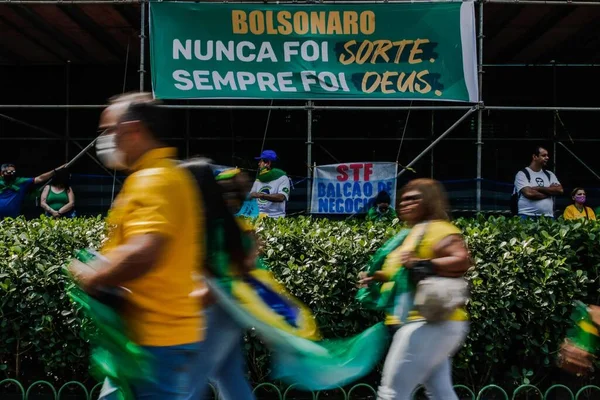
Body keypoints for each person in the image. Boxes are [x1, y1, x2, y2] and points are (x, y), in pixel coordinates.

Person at [68, 92, 203, 399]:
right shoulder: (167, 176)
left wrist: (93, 276)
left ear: (134, 130)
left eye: (108, 130)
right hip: (154, 341)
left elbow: (145, 250)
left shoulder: (153, 180)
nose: (103, 139)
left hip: (157, 346)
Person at [359, 179, 471, 400]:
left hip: (428, 322)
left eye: (413, 199)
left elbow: (462, 260)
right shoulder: (412, 233)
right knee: (440, 392)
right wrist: (376, 276)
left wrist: (423, 263)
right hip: (432, 324)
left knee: (391, 393)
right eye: (403, 199)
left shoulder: (437, 228)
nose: (404, 203)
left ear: (428, 201)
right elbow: (398, 273)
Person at [513, 146, 563, 219]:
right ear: (534, 156)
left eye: (547, 155)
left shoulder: (550, 174)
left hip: (548, 217)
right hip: (527, 216)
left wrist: (538, 188)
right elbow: (529, 193)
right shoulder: (522, 174)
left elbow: (560, 190)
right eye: (543, 155)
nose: (547, 158)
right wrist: (550, 192)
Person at [249, 150, 290, 218]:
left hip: (275, 217)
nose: (258, 164)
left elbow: (281, 197)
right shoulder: (259, 179)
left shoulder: (282, 177)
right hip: (257, 216)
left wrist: (261, 195)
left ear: (268, 163)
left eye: (260, 161)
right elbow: (251, 195)